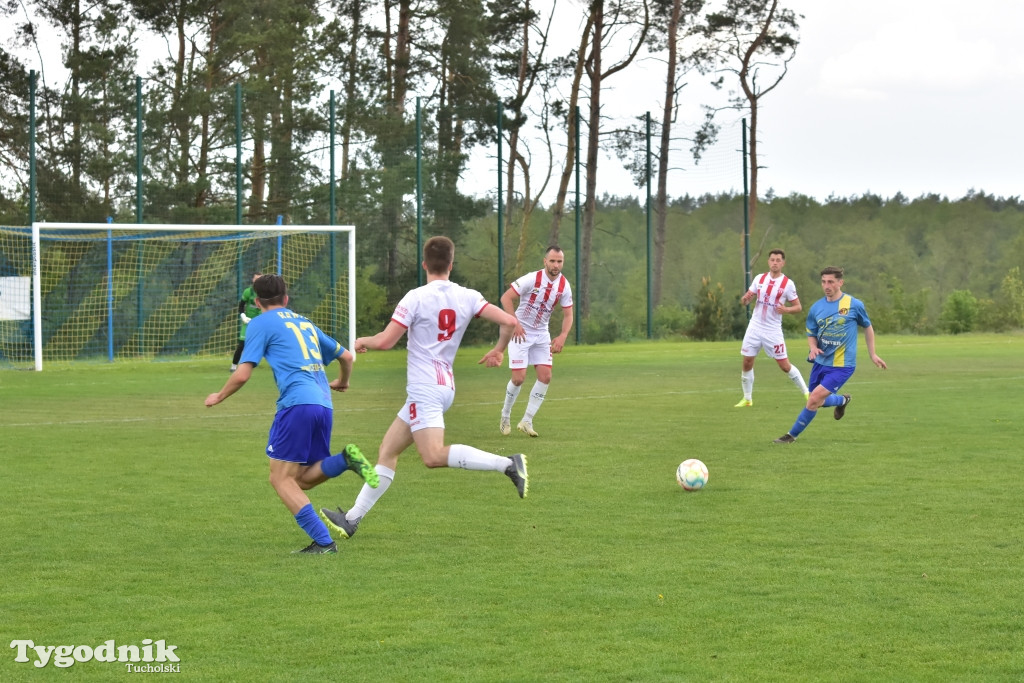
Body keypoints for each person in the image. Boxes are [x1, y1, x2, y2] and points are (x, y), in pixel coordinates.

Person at [319, 236, 529, 540]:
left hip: (425, 388)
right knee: (388, 451)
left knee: (432, 456)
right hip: (444, 386)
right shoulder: (468, 296)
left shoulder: (415, 297)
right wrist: (499, 349)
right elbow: (509, 321)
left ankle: (508, 464)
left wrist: (363, 341)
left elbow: (387, 341)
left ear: (424, 264)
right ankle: (352, 518)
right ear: (451, 264)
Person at [205, 274, 379, 554]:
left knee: (280, 479)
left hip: (297, 405)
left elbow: (242, 374)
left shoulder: (260, 323)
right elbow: (346, 356)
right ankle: (346, 459)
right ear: (286, 299)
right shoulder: (304, 321)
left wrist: (219, 396)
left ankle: (324, 543)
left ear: (258, 302)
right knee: (301, 480)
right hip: (323, 405)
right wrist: (344, 381)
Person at [773, 266, 887, 444]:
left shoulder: (854, 305)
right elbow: (811, 333)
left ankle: (790, 436)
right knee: (816, 400)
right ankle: (842, 400)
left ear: (840, 282)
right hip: (821, 362)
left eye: (831, 282)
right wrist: (812, 348)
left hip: (843, 365)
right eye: (823, 281)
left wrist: (873, 354)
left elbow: (867, 326)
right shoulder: (816, 307)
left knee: (813, 400)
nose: (827, 285)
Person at [498, 246, 574, 437]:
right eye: (553, 261)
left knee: (546, 377)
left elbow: (568, 314)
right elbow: (506, 298)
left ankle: (527, 420)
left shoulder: (564, 285)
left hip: (541, 334)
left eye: (560, 261)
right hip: (520, 332)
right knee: (518, 379)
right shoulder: (532, 278)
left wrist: (563, 335)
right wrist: (514, 323)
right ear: (545, 261)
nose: (556, 265)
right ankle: (505, 415)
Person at [735, 249, 809, 406]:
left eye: (778, 260)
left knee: (784, 365)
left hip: (772, 330)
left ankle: (806, 392)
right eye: (772, 260)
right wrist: (745, 300)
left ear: (783, 263)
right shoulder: (759, 279)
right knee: (747, 362)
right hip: (754, 326)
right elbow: (746, 299)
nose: (775, 262)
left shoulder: (788, 284)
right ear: (768, 262)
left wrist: (786, 310)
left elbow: (798, 307)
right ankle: (747, 399)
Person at [230, 273, 262, 371]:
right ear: (253, 280)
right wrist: (243, 316)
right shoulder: (248, 292)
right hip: (248, 322)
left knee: (267, 344)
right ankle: (234, 366)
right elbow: (241, 306)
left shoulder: (265, 293)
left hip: (261, 322)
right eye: (256, 279)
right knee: (242, 344)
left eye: (259, 279)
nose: (257, 281)